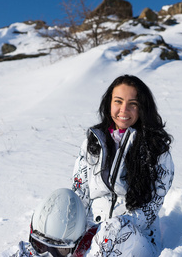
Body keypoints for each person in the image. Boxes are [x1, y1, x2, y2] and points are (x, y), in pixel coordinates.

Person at [72, 74, 174, 256]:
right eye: (118, 101)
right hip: (90, 235)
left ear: (142, 108)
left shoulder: (156, 149)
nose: (124, 110)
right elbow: (80, 192)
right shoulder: (94, 142)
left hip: (134, 237)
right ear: (109, 104)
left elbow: (152, 206)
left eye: (133, 104)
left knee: (111, 233)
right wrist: (75, 229)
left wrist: (112, 227)